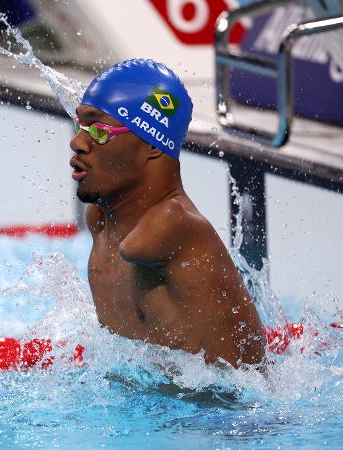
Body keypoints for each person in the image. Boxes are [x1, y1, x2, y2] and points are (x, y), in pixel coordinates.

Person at [69, 59, 265, 368]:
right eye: (81, 126)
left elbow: (240, 391)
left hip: (233, 415)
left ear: (151, 144)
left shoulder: (174, 226)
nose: (77, 141)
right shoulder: (101, 221)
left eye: (99, 130)